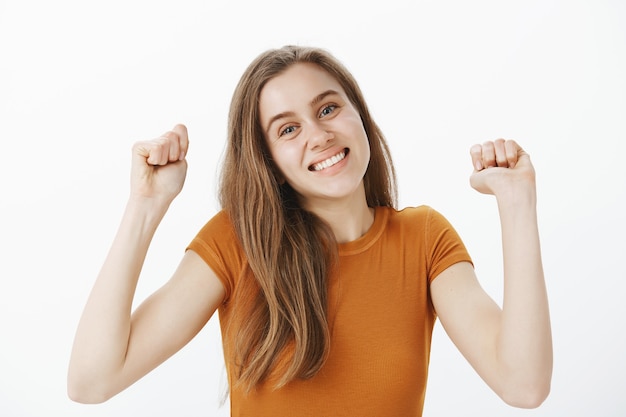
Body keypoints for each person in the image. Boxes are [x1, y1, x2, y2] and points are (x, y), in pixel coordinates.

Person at [67, 45, 552, 416]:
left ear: (359, 116)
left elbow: (523, 384)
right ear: (270, 163)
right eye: (287, 129)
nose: (319, 135)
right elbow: (91, 381)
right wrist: (145, 206)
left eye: (327, 109)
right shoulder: (238, 243)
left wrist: (517, 204)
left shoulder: (424, 239)